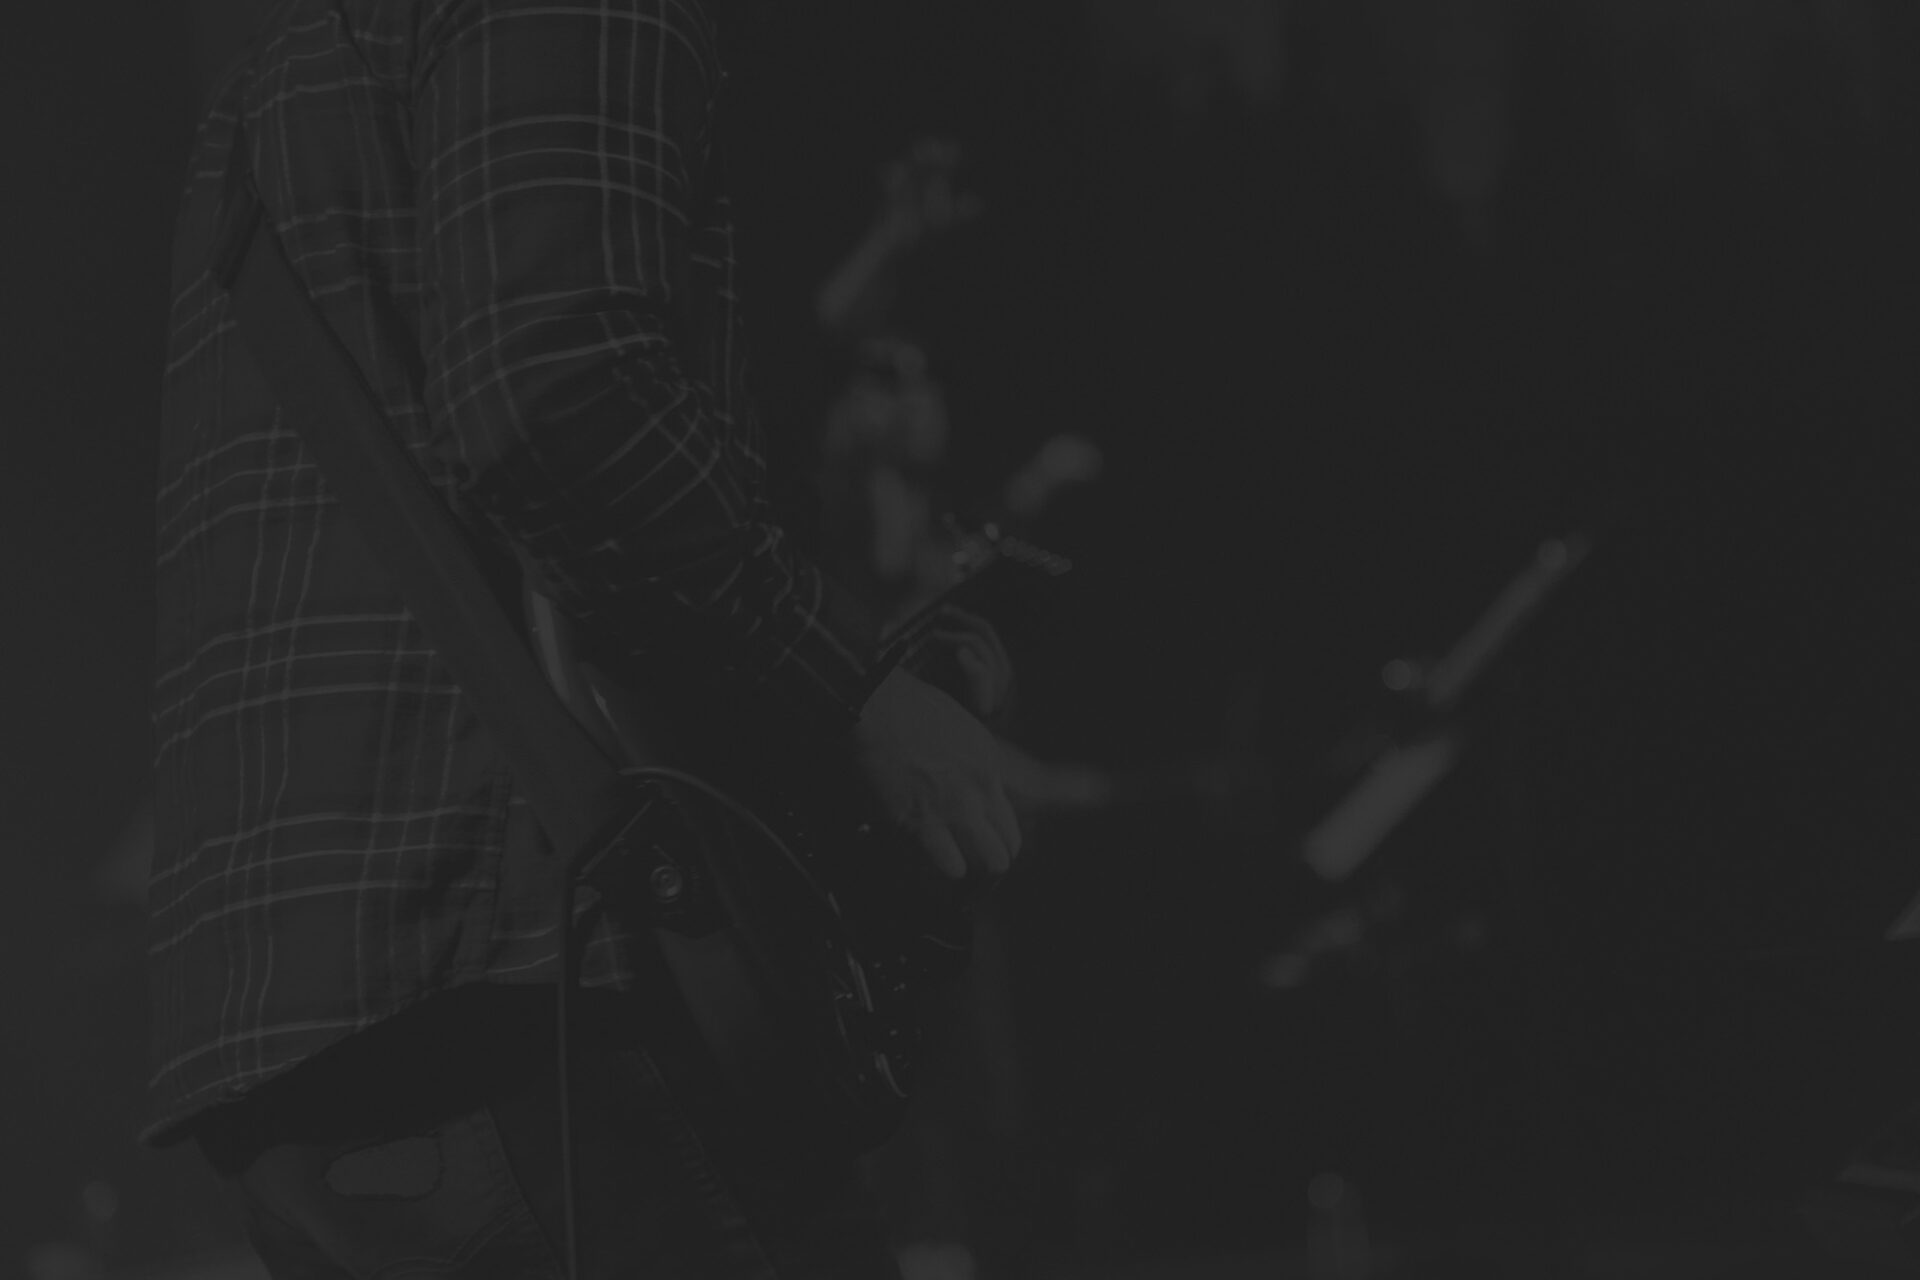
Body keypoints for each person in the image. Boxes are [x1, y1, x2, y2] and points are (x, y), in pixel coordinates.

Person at [147, 1, 1020, 1275]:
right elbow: (558, 385)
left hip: (322, 996)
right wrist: (853, 689)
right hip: (524, 966)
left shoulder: (302, 50)